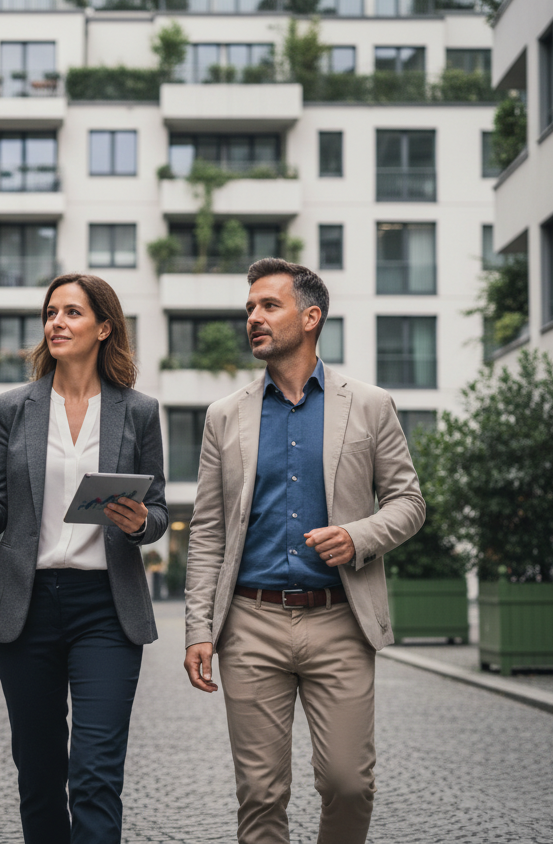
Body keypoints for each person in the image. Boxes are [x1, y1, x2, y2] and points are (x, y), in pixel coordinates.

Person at [0, 273, 167, 844]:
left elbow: (160, 509)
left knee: (95, 774)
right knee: (39, 775)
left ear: (104, 328)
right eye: (50, 312)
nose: (56, 323)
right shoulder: (13, 408)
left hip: (107, 610)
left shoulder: (139, 411)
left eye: (72, 313)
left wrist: (143, 522)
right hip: (28, 608)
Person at [182, 259, 425, 844]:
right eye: (249, 309)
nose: (254, 318)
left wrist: (359, 536)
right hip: (251, 622)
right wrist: (199, 627)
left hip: (341, 619)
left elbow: (408, 502)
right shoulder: (224, 416)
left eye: (269, 306)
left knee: (348, 784)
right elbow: (208, 529)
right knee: (261, 795)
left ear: (311, 317)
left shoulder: (369, 405)